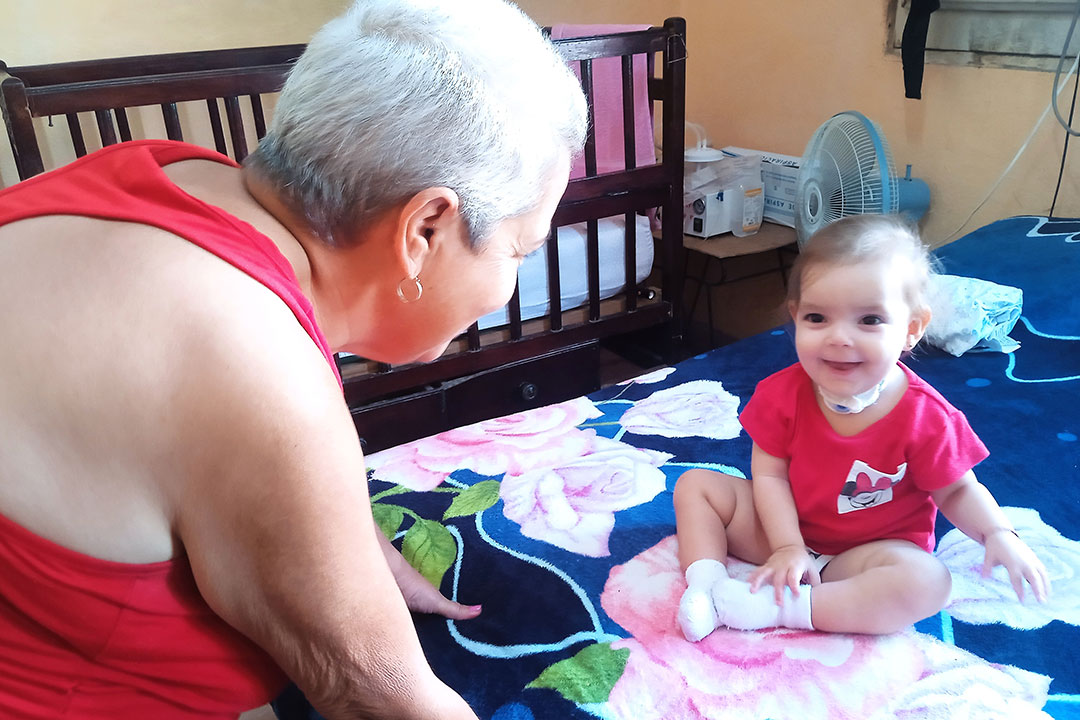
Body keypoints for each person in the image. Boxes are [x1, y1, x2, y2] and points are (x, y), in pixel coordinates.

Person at [0, 0, 586, 718]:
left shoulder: (168, 170)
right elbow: (378, 697)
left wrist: (360, 556)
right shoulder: (250, 361)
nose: (510, 285)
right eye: (519, 250)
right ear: (425, 227)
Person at [673, 214, 1051, 642]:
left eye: (869, 320)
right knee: (696, 485)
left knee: (926, 581)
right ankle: (706, 588)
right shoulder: (780, 394)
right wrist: (787, 547)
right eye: (817, 318)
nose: (839, 337)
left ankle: (769, 608)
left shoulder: (926, 415)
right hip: (782, 528)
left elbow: (958, 489)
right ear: (796, 318)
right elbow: (770, 477)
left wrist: (998, 533)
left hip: (865, 554)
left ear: (911, 329)